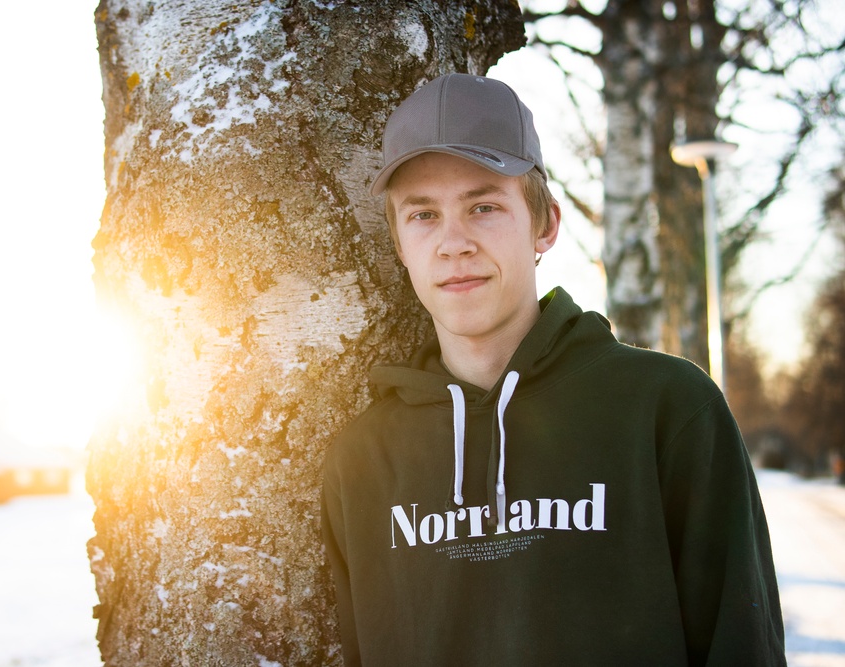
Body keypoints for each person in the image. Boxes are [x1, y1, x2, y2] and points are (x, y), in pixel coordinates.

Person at [320, 73, 785, 666]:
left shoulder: (666, 410)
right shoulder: (361, 462)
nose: (453, 242)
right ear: (398, 242)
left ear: (545, 225)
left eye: (483, 206)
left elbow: (742, 646)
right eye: (423, 215)